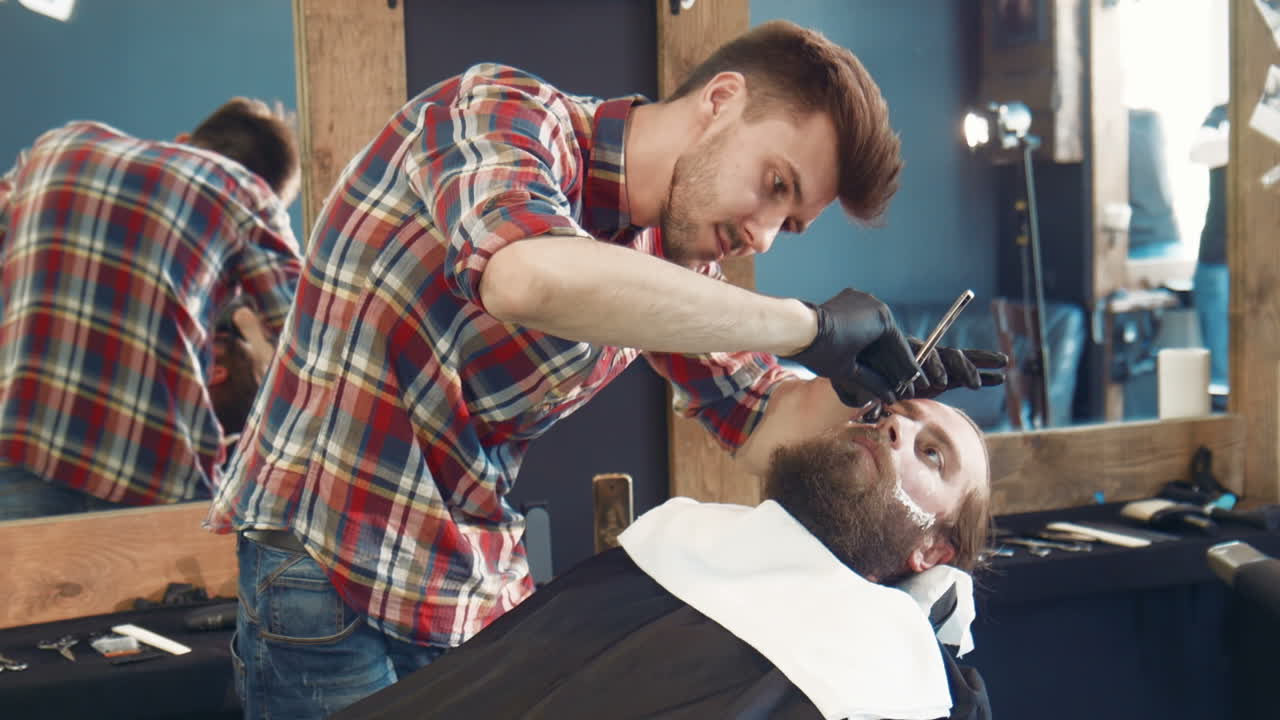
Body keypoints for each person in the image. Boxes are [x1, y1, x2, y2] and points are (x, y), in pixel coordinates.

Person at [210, 21, 1007, 717]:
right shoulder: (502, 113)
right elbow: (528, 277)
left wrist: (879, 394)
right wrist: (807, 326)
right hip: (325, 565)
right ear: (721, 99)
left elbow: (764, 423)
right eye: (774, 187)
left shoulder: (668, 261)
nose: (764, 236)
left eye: (789, 224)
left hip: (458, 585)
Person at [333, 398, 994, 720]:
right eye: (888, 413)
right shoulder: (684, 541)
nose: (897, 430)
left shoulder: (888, 678)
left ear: (933, 548)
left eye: (932, 454)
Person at [0, 98, 302, 521]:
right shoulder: (246, 192)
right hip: (155, 472)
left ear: (181, 142)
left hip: (21, 447)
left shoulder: (54, 147)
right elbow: (308, 336)